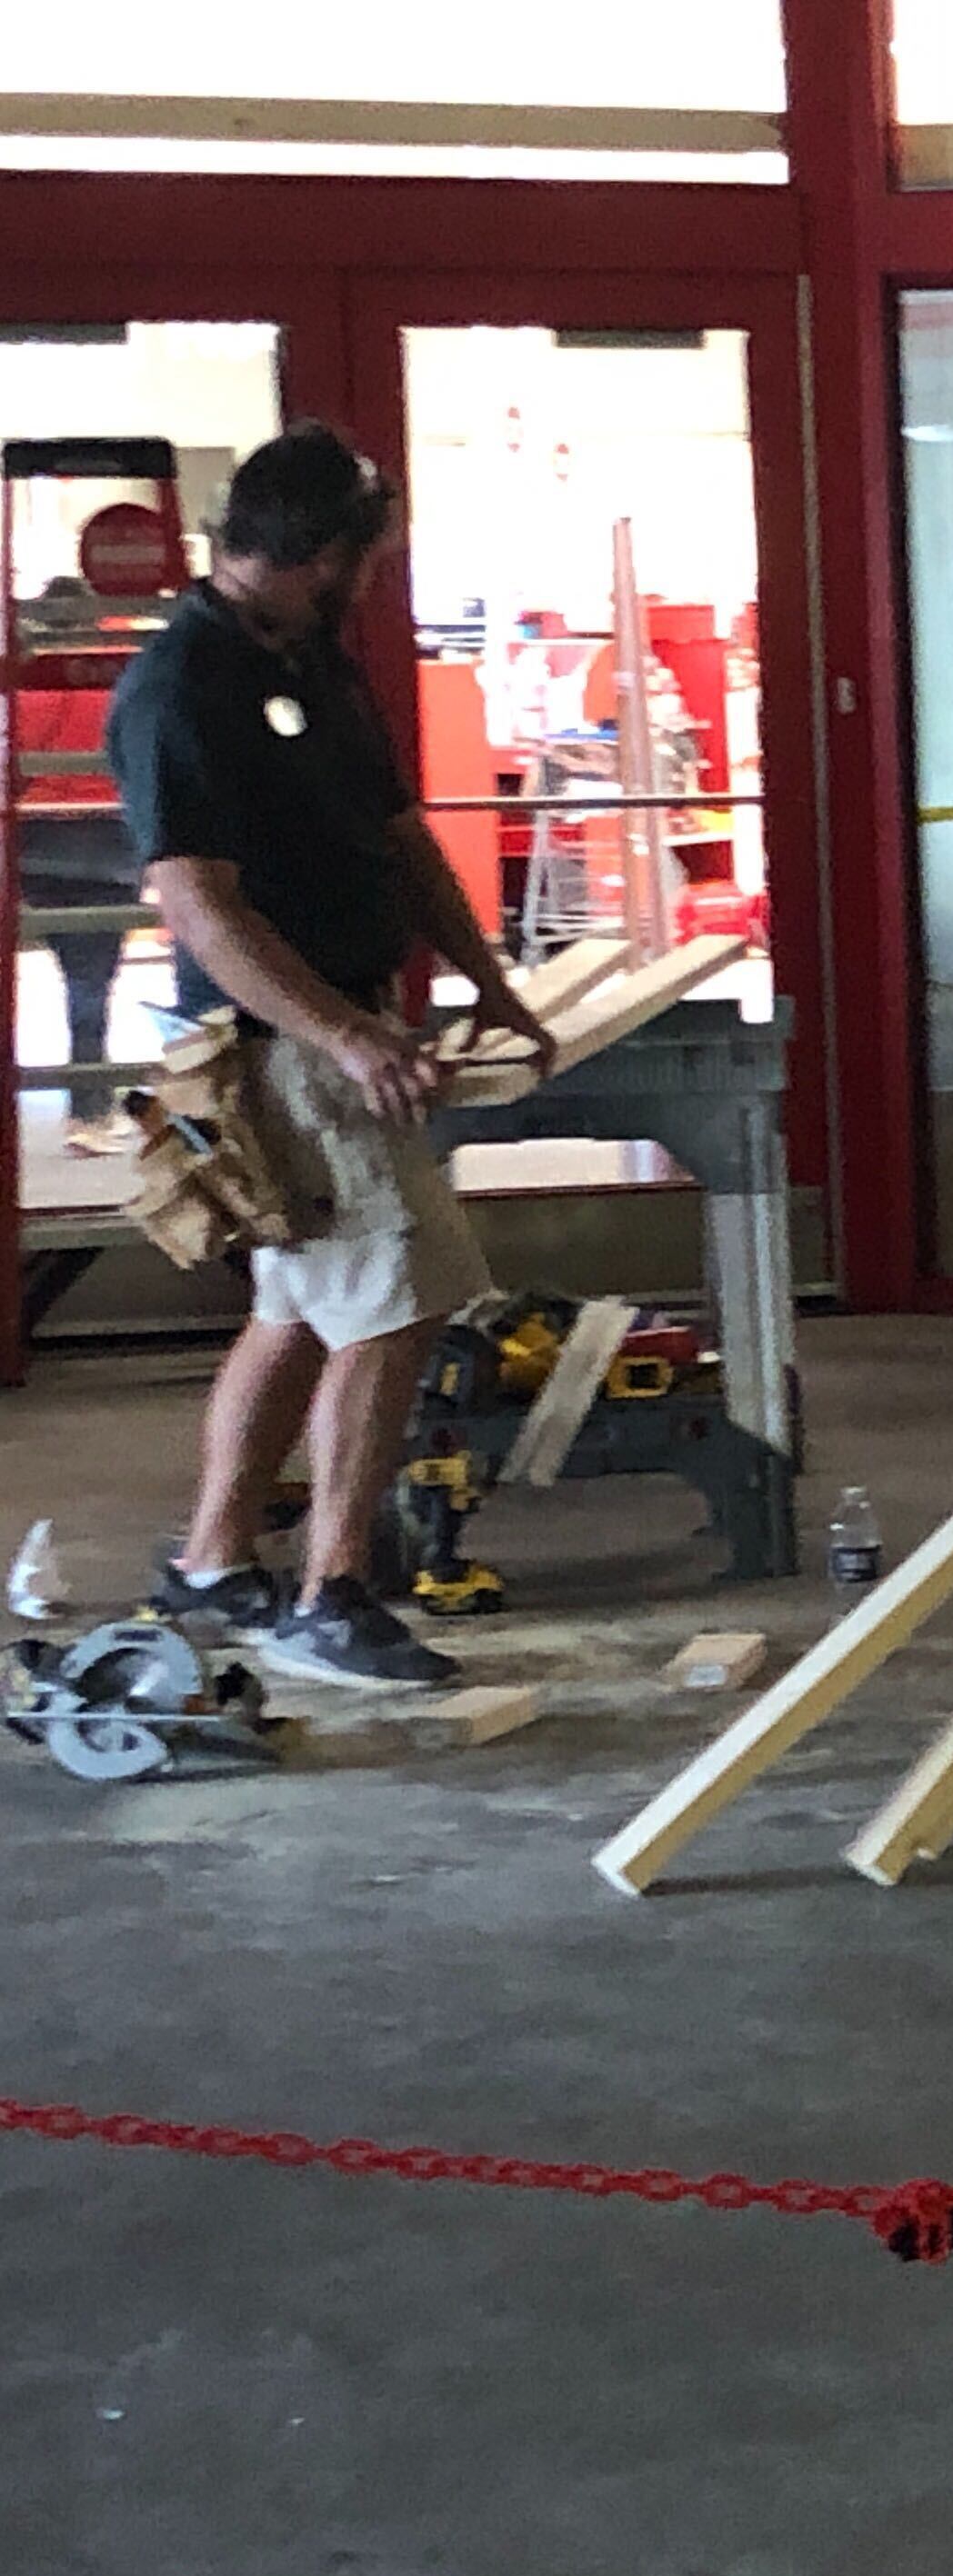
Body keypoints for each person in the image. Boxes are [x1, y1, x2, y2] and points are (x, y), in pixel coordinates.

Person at [108, 421, 554, 1689]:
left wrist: (487, 981)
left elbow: (397, 833)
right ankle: (333, 1594)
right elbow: (202, 906)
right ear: (320, 553)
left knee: (299, 1308)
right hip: (284, 1042)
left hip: (344, 1023)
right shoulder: (182, 686)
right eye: (372, 556)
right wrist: (349, 1038)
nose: (378, 579)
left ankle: (209, 1561)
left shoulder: (315, 657)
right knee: (397, 1301)